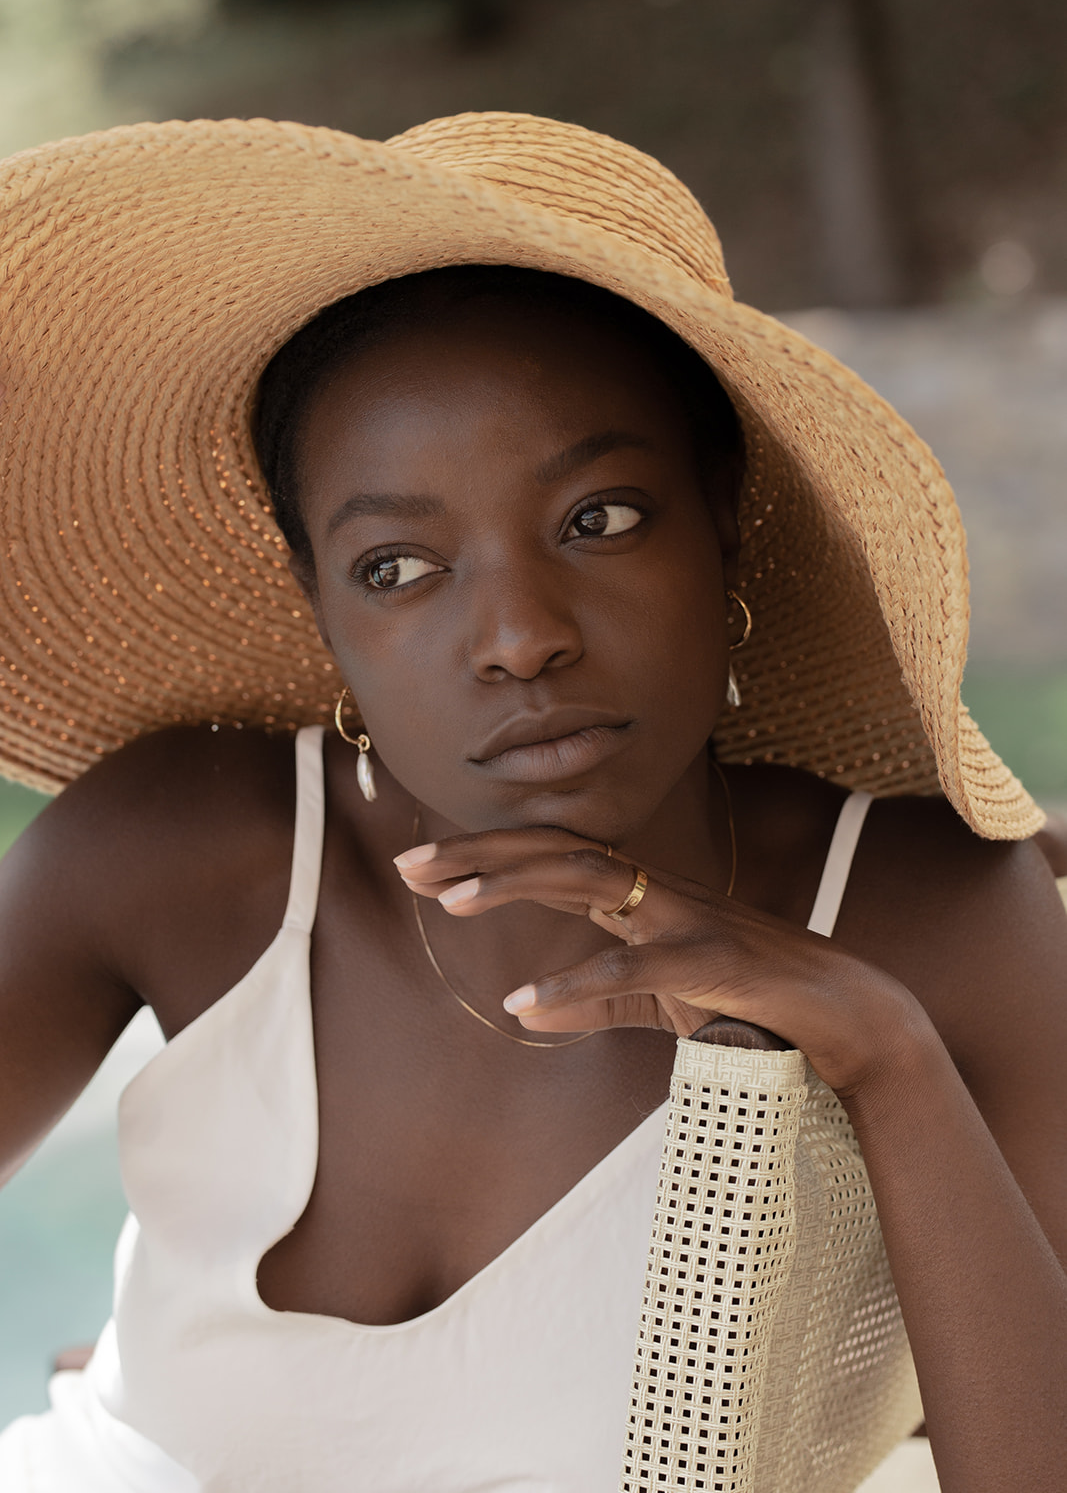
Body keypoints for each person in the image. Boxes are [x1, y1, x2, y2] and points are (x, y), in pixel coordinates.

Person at [0, 111, 1064, 1493]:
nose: (518, 638)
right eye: (398, 567)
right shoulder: (181, 847)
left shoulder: (928, 908)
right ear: (317, 603)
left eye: (598, 519)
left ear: (724, 513)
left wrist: (884, 1050)